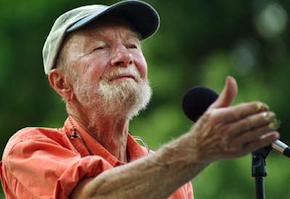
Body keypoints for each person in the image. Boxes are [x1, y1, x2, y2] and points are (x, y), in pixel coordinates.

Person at [0, 1, 280, 199]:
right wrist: (195, 150)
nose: (125, 57)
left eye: (132, 45)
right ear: (61, 82)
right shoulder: (29, 151)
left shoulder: (170, 173)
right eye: (100, 47)